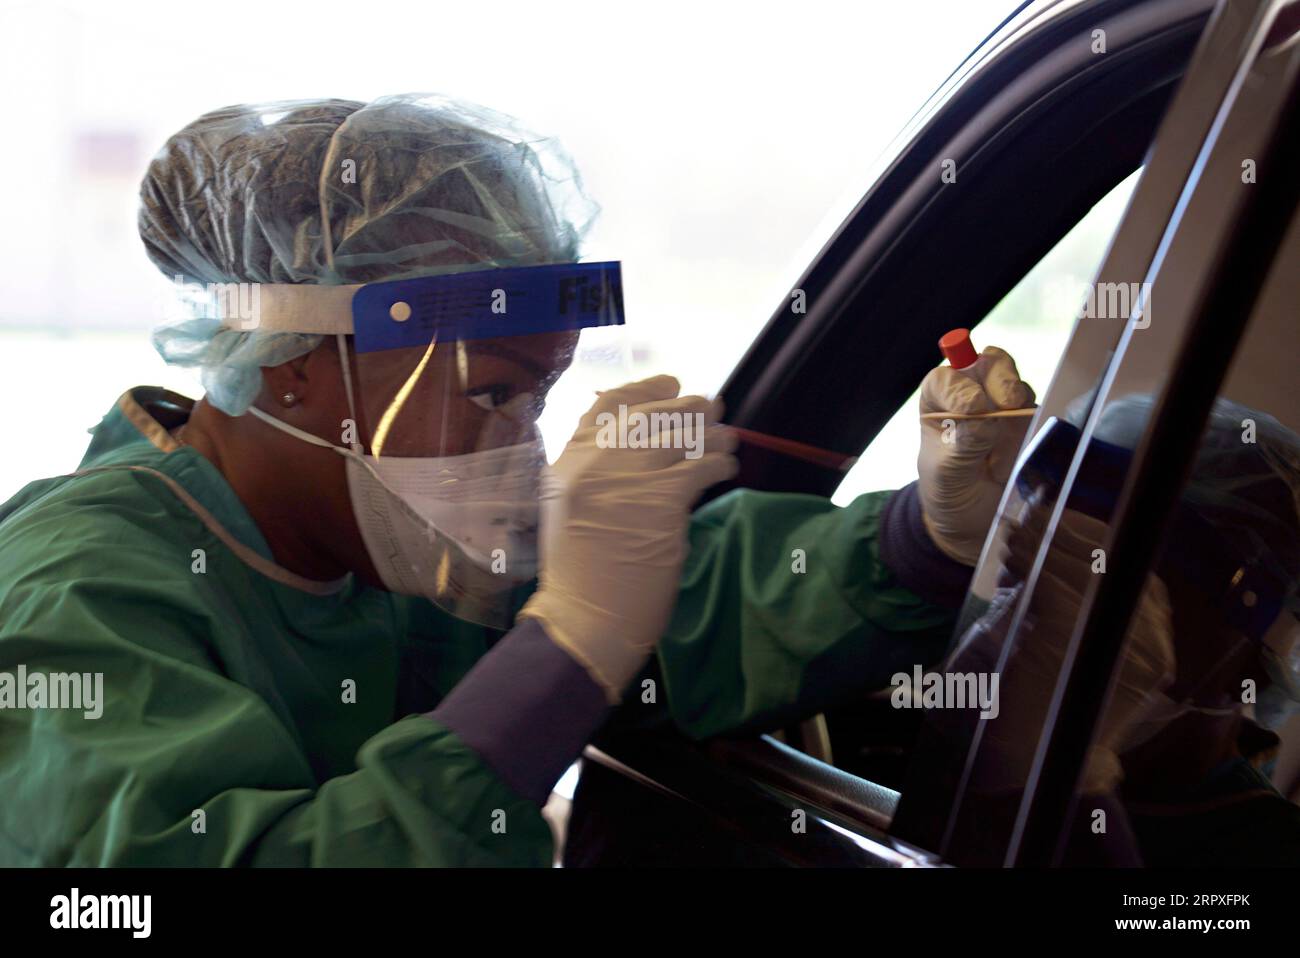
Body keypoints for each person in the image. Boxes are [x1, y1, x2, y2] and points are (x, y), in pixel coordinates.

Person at [0, 95, 1034, 866]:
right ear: (295, 363)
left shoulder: (381, 540)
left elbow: (675, 601)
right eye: (491, 393)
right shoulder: (84, 591)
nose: (522, 451)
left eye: (539, 399)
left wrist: (923, 534)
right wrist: (562, 647)